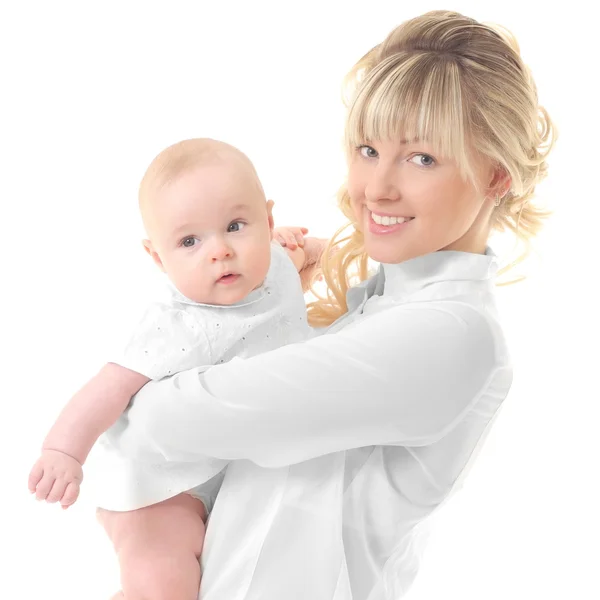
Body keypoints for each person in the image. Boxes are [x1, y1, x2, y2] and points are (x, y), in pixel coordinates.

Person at [100, 10, 556, 600]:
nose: (377, 187)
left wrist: (128, 390)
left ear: (496, 176)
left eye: (422, 158)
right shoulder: (380, 306)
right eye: (368, 149)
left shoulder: (451, 333)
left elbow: (167, 418)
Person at [28, 137, 322, 599]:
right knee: (165, 582)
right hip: (158, 489)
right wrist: (63, 452)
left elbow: (326, 254)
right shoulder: (176, 323)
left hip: (229, 470)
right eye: (190, 241)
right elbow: (107, 389)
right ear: (158, 258)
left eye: (236, 225)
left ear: (268, 221)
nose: (220, 250)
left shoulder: (280, 262)